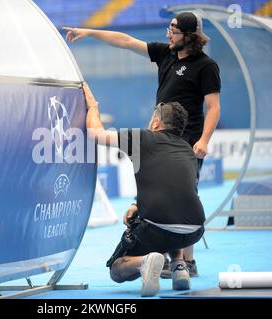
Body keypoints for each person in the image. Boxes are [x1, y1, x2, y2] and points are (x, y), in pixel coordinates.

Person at [65, 11, 221, 276]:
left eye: (174, 29)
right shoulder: (166, 54)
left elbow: (213, 106)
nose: (168, 33)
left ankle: (187, 262)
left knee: (186, 191)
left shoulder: (206, 66)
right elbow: (125, 41)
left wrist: (204, 140)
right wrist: (90, 32)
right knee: (160, 190)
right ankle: (177, 261)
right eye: (169, 28)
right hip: (162, 135)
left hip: (187, 141)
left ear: (190, 36)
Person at [83, 82, 205, 297]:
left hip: (160, 230)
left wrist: (93, 106)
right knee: (169, 223)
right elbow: (175, 188)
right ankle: (179, 265)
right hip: (194, 231)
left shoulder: (141, 138)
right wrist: (136, 204)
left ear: (156, 122)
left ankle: (145, 262)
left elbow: (96, 133)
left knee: (117, 268)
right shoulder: (187, 148)